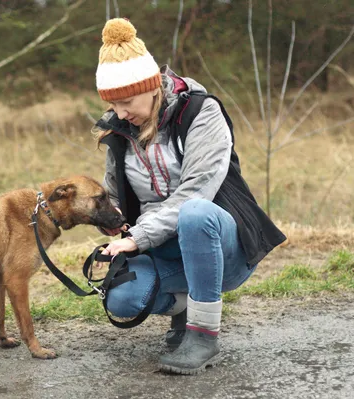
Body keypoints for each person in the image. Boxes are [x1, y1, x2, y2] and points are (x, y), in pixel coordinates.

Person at [92, 18, 286, 375]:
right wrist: (108, 220)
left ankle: (202, 334)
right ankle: (184, 308)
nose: (120, 114)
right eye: (113, 105)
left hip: (224, 247)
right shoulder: (118, 132)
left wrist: (137, 237)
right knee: (122, 298)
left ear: (152, 86)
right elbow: (116, 196)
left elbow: (196, 191)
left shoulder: (201, 112)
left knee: (195, 212)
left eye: (127, 101)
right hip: (166, 251)